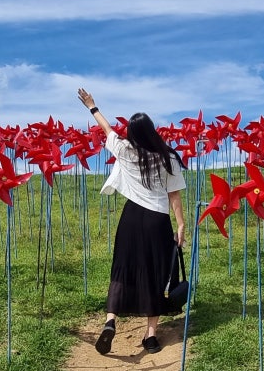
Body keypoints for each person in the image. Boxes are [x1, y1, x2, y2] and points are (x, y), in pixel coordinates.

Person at [77, 88, 186, 354]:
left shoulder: (125, 149)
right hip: (157, 221)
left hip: (131, 218)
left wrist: (92, 106)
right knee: (155, 274)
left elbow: (106, 129)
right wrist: (181, 225)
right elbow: (174, 196)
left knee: (122, 270)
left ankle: (110, 321)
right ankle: (150, 336)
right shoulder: (168, 157)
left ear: (132, 134)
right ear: (152, 130)